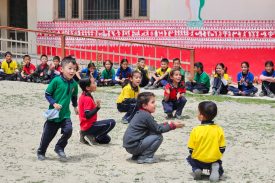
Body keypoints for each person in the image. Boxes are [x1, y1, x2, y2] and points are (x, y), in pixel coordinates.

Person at [37, 56, 79, 161]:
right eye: (69, 68)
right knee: (47, 136)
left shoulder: (74, 84)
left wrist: (75, 106)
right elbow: (47, 94)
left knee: (68, 130)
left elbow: (74, 96)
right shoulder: (56, 80)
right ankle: (41, 151)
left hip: (65, 114)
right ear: (62, 69)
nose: (72, 71)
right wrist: (54, 103)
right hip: (54, 114)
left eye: (74, 69)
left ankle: (59, 147)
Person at [123, 92, 184, 164]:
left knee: (151, 133)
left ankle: (137, 155)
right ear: (145, 105)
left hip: (130, 146)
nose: (155, 104)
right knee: (158, 136)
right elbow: (158, 129)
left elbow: (154, 126)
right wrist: (173, 126)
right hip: (133, 146)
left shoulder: (141, 113)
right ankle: (145, 157)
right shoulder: (146, 115)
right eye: (152, 102)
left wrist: (167, 123)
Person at [187, 101, 226, 181]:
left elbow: (191, 149)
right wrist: (215, 156)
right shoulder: (219, 129)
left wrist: (198, 155)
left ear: (201, 116)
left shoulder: (196, 130)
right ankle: (215, 170)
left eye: (198, 112)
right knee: (218, 163)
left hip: (198, 160)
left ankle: (197, 169)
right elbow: (222, 148)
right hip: (213, 159)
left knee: (189, 158)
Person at [78, 77, 116, 145]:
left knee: (107, 140)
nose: (95, 84)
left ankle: (85, 134)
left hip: (86, 125)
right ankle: (89, 135)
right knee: (112, 122)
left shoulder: (84, 94)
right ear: (87, 88)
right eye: (93, 83)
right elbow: (87, 115)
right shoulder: (87, 98)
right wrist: (97, 108)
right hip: (89, 126)